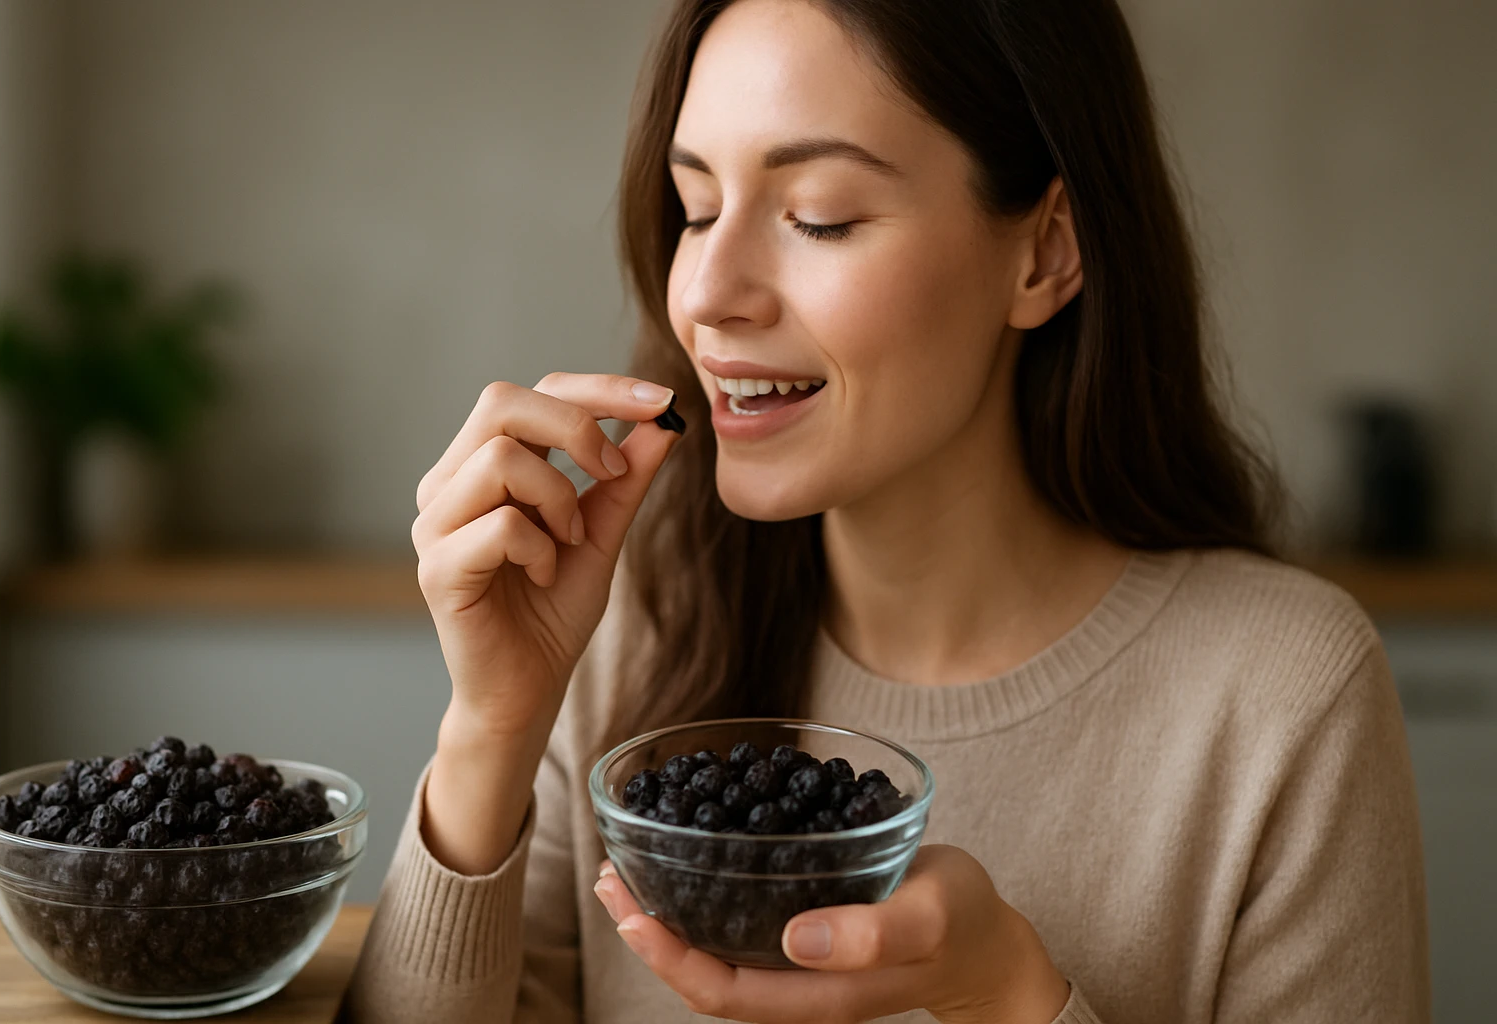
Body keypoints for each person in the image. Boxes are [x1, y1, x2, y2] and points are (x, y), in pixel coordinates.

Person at [345, 0, 1429, 1020]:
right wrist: (490, 725)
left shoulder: (1286, 695)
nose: (709, 294)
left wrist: (1009, 996)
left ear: (1045, 252)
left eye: (818, 218)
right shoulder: (626, 620)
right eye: (696, 208)